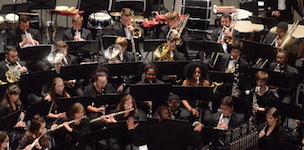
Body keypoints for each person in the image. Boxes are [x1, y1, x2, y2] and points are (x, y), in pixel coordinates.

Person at [127, 105, 202, 150]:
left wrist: (131, 129)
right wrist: (196, 131)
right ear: (171, 115)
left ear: (158, 117)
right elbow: (195, 141)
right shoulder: (183, 127)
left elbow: (137, 141)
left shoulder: (152, 129)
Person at [0, 84, 26, 150]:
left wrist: (22, 113)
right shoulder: (4, 107)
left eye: (18, 95)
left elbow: (21, 110)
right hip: (8, 130)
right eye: (15, 95)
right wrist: (16, 125)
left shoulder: (17, 103)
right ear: (9, 95)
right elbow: (2, 124)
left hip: (16, 126)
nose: (17, 97)